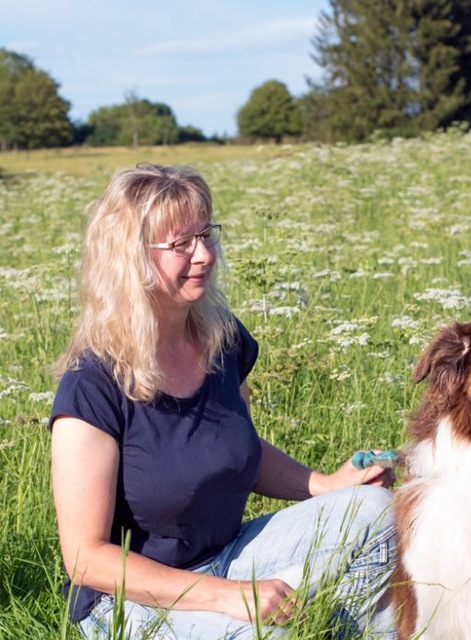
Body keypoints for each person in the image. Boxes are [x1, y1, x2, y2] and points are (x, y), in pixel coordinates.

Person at [50, 163, 397, 640]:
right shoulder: (91, 385)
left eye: (206, 233)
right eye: (180, 244)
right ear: (128, 259)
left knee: (377, 509)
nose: (205, 254)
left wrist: (328, 483)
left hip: (230, 556)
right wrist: (228, 597)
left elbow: (238, 452)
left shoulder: (221, 339)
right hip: (131, 602)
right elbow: (85, 558)